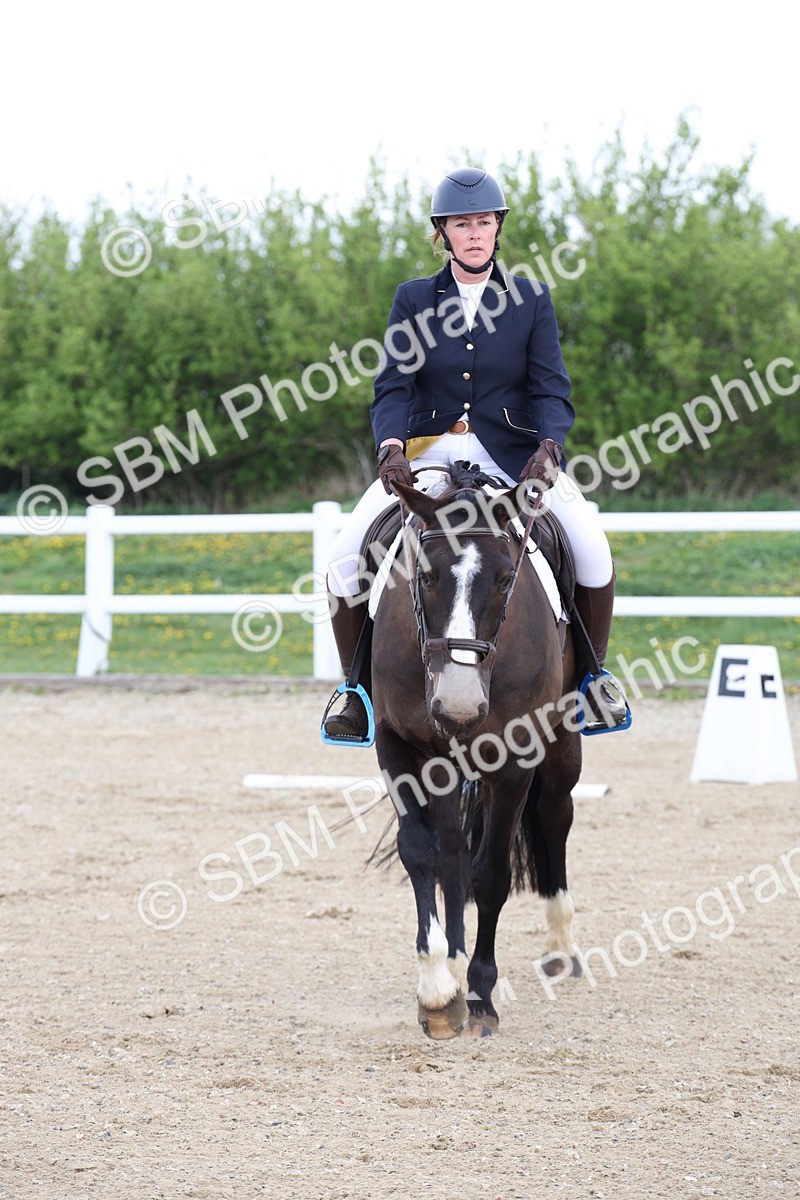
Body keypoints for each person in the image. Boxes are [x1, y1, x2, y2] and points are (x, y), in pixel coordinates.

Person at [322, 166, 629, 740]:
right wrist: (391, 447)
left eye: (484, 222)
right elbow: (393, 384)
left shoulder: (530, 299)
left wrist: (547, 449)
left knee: (591, 546)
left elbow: (550, 389)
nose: (475, 233)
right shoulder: (413, 298)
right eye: (463, 224)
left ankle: (592, 680)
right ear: (443, 232)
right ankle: (355, 692)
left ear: (497, 228)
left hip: (511, 455)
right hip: (428, 451)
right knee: (343, 560)